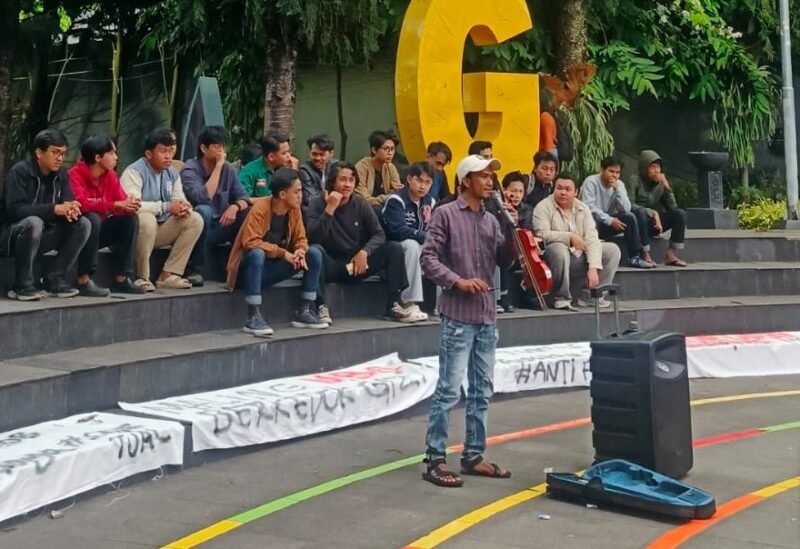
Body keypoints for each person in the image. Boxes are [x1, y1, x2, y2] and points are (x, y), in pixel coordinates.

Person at [419, 154, 516, 488]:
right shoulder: (445, 214)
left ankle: (474, 455)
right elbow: (428, 259)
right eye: (483, 175)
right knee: (449, 390)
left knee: (482, 390)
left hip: (487, 314)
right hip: (458, 316)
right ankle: (434, 459)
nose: (490, 181)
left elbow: (504, 261)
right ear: (465, 180)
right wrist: (457, 281)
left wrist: (511, 230)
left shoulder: (492, 220)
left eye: (491, 176)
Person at [307, 161, 419, 323]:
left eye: (351, 180)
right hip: (330, 264)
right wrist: (329, 209)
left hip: (356, 265)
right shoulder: (317, 203)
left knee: (393, 248)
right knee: (315, 251)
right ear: (332, 182)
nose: (348, 185)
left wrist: (365, 251)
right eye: (343, 180)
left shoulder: (360, 204)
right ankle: (320, 306)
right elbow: (313, 237)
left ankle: (393, 304)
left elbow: (379, 234)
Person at [226, 168, 328, 336]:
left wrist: (300, 251)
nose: (301, 195)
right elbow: (250, 242)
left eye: (301, 191)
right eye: (296, 191)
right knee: (257, 253)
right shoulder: (260, 208)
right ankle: (253, 316)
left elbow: (301, 238)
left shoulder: (294, 209)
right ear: (282, 194)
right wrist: (283, 253)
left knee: (314, 253)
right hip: (248, 272)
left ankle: (306, 310)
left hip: (272, 268)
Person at [0, 129, 91, 300]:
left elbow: (66, 202)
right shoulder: (19, 172)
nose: (60, 158)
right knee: (34, 222)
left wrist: (72, 209)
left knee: (83, 224)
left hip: (43, 235)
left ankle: (54, 280)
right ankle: (22, 285)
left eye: (63, 154)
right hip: (12, 236)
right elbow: (14, 211)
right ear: (39, 153)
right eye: (55, 152)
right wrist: (53, 209)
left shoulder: (62, 174)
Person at [120, 128, 204, 291]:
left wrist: (184, 207)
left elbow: (179, 198)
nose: (168, 156)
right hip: (133, 234)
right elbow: (132, 206)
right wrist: (166, 207)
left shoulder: (172, 173)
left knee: (195, 219)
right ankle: (141, 277)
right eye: (163, 151)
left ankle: (169, 274)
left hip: (159, 231)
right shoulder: (134, 172)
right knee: (146, 218)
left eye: (171, 151)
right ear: (148, 154)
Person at [68, 134, 146, 295]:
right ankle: (83, 280)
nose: (116, 157)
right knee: (92, 218)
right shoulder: (73, 174)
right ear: (98, 158)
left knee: (129, 219)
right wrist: (114, 204)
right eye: (111, 153)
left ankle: (122, 278)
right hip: (77, 232)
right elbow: (82, 204)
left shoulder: (110, 175)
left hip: (99, 231)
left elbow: (121, 201)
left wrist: (130, 205)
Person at [533, 172, 621, 311]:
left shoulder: (583, 208)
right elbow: (542, 234)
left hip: (578, 257)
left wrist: (593, 267)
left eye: (568, 189)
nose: (563, 192)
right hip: (552, 260)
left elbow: (592, 238)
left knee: (612, 250)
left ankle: (592, 296)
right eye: (559, 188)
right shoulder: (543, 207)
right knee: (558, 248)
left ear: (576, 192)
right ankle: (560, 298)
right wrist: (569, 237)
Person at [181, 126, 252, 285]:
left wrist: (235, 207)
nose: (222, 151)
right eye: (216, 146)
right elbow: (203, 197)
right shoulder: (190, 169)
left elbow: (244, 197)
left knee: (247, 212)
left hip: (220, 224)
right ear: (203, 148)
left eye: (224, 146)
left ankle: (236, 267)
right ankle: (194, 270)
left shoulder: (228, 170)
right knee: (204, 211)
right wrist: (218, 167)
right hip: (195, 228)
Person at [381, 161, 435, 322]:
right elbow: (397, 230)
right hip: (394, 250)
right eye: (419, 180)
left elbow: (436, 229)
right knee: (412, 245)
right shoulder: (396, 200)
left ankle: (443, 304)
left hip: (422, 245)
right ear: (409, 179)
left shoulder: (430, 202)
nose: (423, 186)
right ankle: (408, 302)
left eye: (427, 182)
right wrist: (425, 236)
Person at [580, 156, 654, 269]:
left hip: (605, 224)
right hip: (589, 224)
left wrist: (618, 190)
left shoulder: (619, 185)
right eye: (611, 171)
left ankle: (634, 257)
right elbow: (588, 208)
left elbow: (626, 208)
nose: (614, 175)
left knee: (629, 217)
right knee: (594, 216)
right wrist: (609, 220)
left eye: (617, 172)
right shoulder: (591, 182)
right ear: (602, 170)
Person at [630, 150, 688, 267]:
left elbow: (673, 208)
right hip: (637, 223)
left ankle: (670, 255)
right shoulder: (634, 180)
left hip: (655, 224)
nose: (657, 170)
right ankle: (645, 254)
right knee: (641, 213)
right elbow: (629, 204)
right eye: (653, 167)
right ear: (644, 167)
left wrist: (667, 189)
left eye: (658, 167)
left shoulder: (660, 184)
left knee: (680, 214)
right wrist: (652, 213)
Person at [497, 171, 534, 311]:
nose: (517, 195)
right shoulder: (497, 206)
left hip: (521, 250)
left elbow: (529, 234)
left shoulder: (527, 210)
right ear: (504, 190)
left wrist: (516, 223)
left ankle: (531, 297)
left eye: (520, 191)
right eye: (513, 191)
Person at [354, 130, 402, 206]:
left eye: (392, 149)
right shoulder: (362, 167)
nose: (390, 153)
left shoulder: (391, 167)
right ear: (374, 150)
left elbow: (398, 194)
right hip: (365, 208)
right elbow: (363, 199)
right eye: (386, 149)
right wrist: (386, 198)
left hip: (386, 207)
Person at [299, 134, 335, 211]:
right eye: (314, 154)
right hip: (313, 211)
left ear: (331, 154)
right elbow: (310, 198)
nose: (318, 158)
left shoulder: (335, 167)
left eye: (322, 154)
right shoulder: (304, 170)